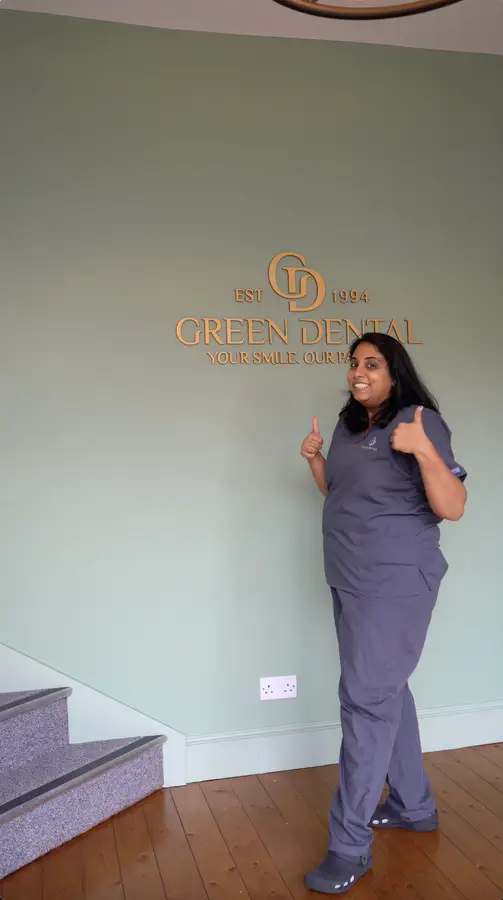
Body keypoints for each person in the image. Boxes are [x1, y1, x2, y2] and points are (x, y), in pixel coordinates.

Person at [300, 333, 467, 896]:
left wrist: (422, 449)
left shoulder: (420, 420)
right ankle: (414, 806)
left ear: (395, 371)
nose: (357, 372)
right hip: (348, 576)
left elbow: (452, 507)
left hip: (395, 582)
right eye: (353, 364)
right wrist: (317, 462)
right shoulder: (351, 427)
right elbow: (342, 494)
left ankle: (348, 848)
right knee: (385, 691)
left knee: (366, 702)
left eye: (370, 363)